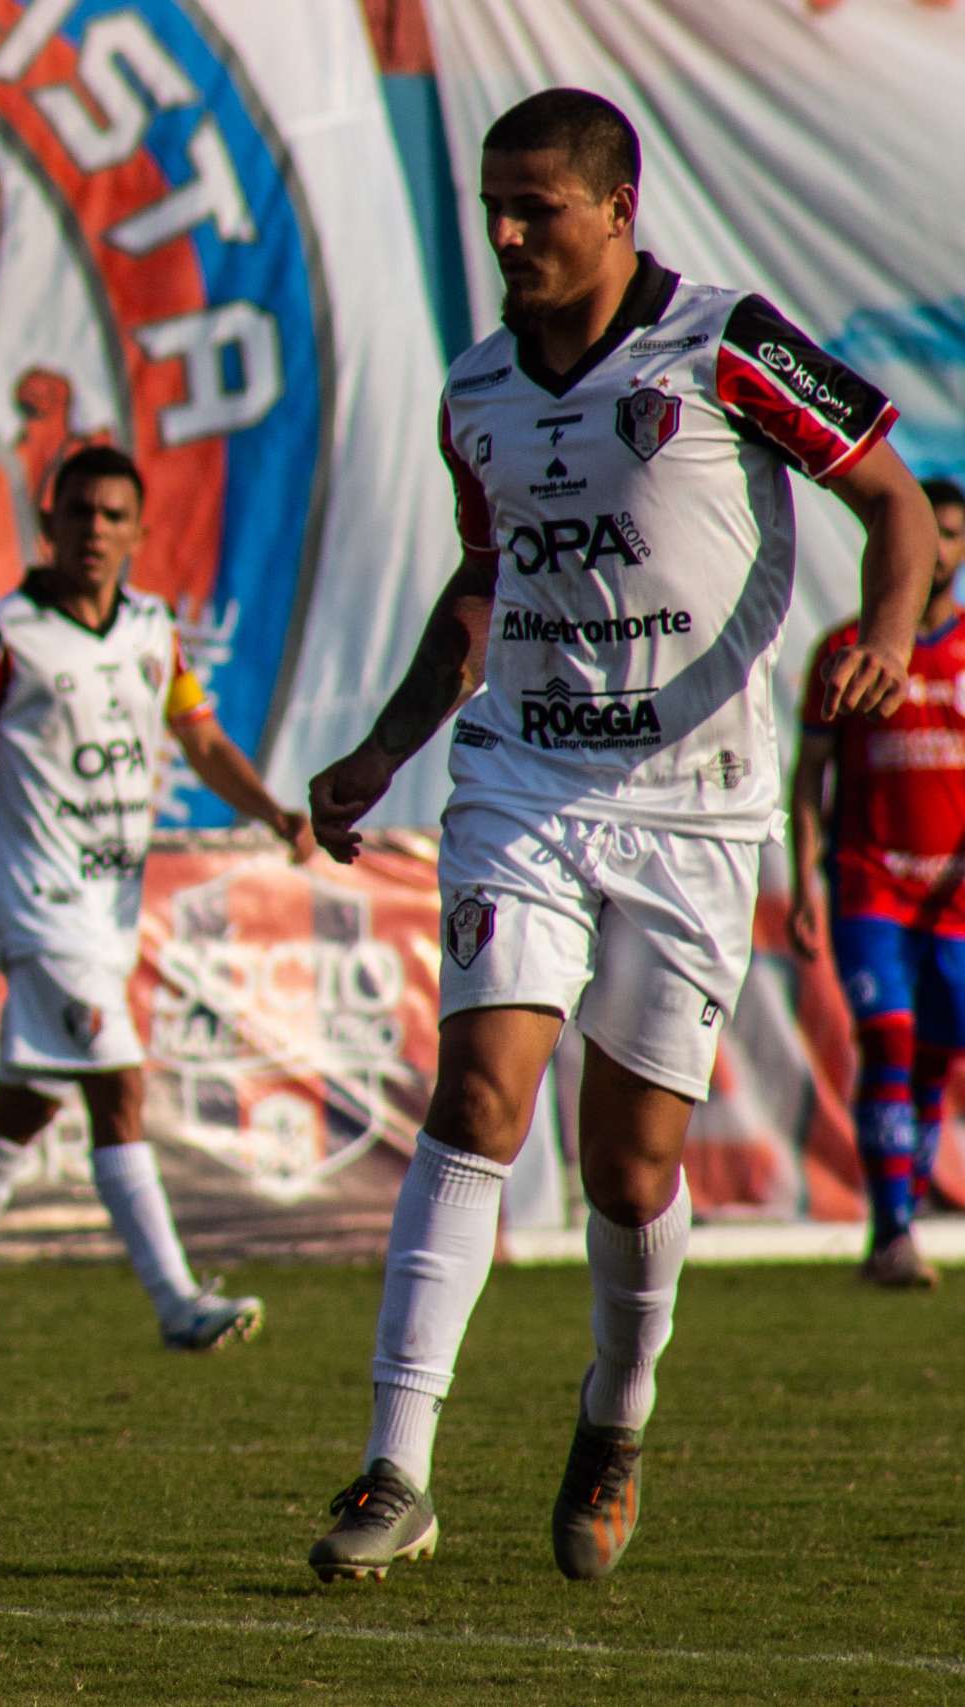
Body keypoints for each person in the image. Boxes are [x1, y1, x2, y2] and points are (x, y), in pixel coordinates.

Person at [303, 89, 932, 1584]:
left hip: (696, 806)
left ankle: (615, 1410)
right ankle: (397, 1465)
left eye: (538, 208)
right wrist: (388, 745)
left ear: (617, 206)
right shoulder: (476, 391)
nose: (508, 234)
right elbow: (485, 581)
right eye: (492, 209)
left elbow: (894, 501)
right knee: (475, 1093)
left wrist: (894, 625)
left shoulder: (728, 345)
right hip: (522, 776)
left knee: (631, 1169)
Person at [0, 444, 313, 1357]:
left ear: (141, 533)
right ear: (50, 524)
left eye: (115, 516)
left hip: (107, 910)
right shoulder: (0, 636)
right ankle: (176, 1300)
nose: (96, 531)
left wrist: (273, 809)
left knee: (28, 1104)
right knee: (118, 1085)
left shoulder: (155, 631)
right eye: (80, 513)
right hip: (38, 903)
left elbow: (200, 741)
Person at [789, 477, 965, 1289]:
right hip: (872, 888)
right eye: (931, 534)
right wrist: (802, 887)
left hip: (953, 900)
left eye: (955, 537)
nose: (941, 552)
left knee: (935, 1053)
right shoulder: (845, 649)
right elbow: (809, 778)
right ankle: (892, 1231)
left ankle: (903, 1216)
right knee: (888, 1039)